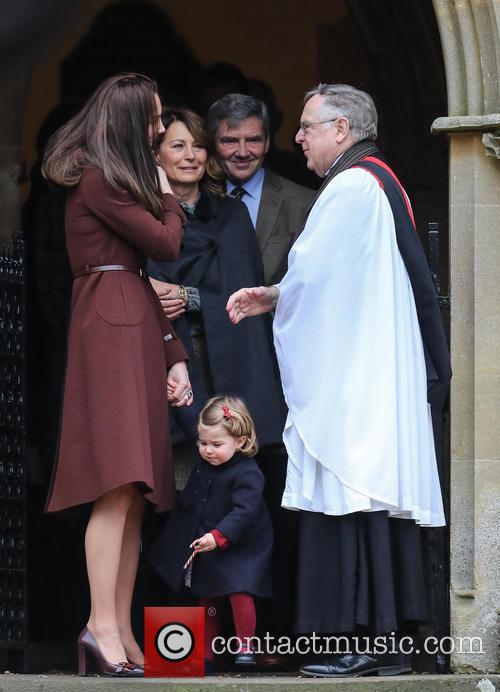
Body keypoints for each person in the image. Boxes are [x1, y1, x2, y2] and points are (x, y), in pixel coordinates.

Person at [227, 83, 451, 677]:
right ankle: (391, 644)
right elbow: (327, 278)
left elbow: (314, 278)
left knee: (352, 492)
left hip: (356, 383)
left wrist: (276, 296)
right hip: (371, 374)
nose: (296, 138)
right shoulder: (377, 181)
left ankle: (363, 640)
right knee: (368, 498)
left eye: (307, 126)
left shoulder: (351, 186)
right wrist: (281, 294)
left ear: (342, 131)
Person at [42, 73, 193, 677]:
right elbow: (165, 245)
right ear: (132, 122)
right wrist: (168, 195)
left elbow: (142, 280)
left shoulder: (109, 179)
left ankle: (119, 628)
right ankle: (99, 625)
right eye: (155, 120)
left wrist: (173, 350)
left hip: (125, 320)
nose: (160, 130)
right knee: (116, 482)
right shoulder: (101, 177)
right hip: (110, 328)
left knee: (133, 490)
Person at [146, 108, 293, 669]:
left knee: (236, 510)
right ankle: (178, 648)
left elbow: (243, 295)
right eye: (176, 146)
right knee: (174, 507)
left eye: (196, 147)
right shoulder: (142, 215)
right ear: (157, 155)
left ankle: (244, 647)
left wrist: (190, 297)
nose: (189, 156)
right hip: (164, 372)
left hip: (221, 373)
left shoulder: (230, 216)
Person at [149, 395, 273, 672]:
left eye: (217, 445)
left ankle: (245, 648)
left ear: (239, 441)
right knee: (208, 597)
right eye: (202, 443)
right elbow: (193, 423)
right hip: (207, 542)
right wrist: (178, 401)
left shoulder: (248, 472)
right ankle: (205, 653)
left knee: (240, 592)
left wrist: (219, 536)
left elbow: (245, 511)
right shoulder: (207, 459)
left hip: (241, 546)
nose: (207, 450)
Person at [207, 93, 315, 285]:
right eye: (230, 141)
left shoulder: (304, 204)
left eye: (253, 140)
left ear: (267, 143)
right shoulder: (197, 197)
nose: (242, 152)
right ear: (213, 143)